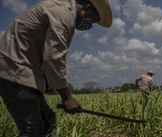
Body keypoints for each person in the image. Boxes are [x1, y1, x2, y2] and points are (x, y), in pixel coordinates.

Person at [0, 0, 112, 136]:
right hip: (15, 72)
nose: (89, 25)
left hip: (22, 71)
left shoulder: (61, 10)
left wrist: (46, 81)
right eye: (91, 20)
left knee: (48, 120)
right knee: (32, 129)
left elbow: (41, 50)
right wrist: (67, 97)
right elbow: (53, 57)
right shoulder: (63, 14)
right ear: (87, 8)